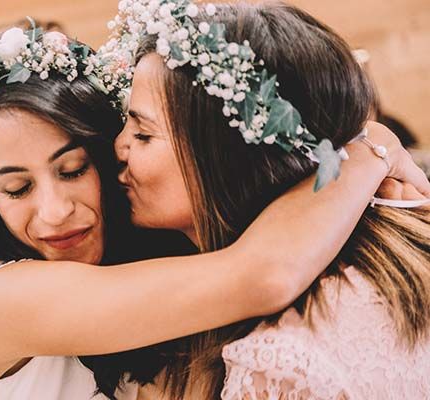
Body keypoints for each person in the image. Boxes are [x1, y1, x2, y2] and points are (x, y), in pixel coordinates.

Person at [0, 21, 430, 400]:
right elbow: (263, 272)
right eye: (16, 189)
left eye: (73, 169)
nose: (55, 211)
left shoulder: (153, 250)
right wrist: (362, 151)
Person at [107, 1, 430, 398]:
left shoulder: (283, 361)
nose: (118, 145)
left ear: (229, 159)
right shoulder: (398, 246)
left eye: (142, 134)